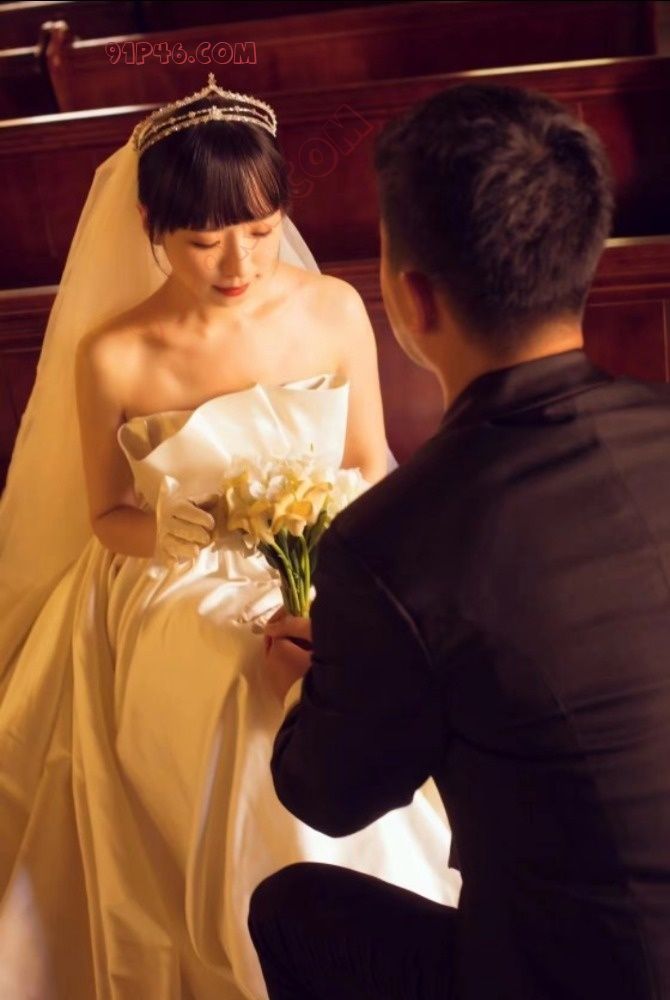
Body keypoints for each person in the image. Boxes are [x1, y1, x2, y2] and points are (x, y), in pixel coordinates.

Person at [0, 75, 461, 1000]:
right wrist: (167, 529)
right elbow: (106, 516)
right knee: (240, 681)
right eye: (205, 241)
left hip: (329, 551)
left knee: (361, 667)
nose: (238, 263)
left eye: (259, 229)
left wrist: (368, 570)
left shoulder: (331, 308)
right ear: (151, 224)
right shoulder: (114, 354)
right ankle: (249, 949)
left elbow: (367, 460)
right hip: (178, 574)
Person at [248, 83, 670, 999]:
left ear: (411, 296)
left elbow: (329, 796)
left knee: (290, 909)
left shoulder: (389, 542)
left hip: (591, 973)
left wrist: (309, 687)